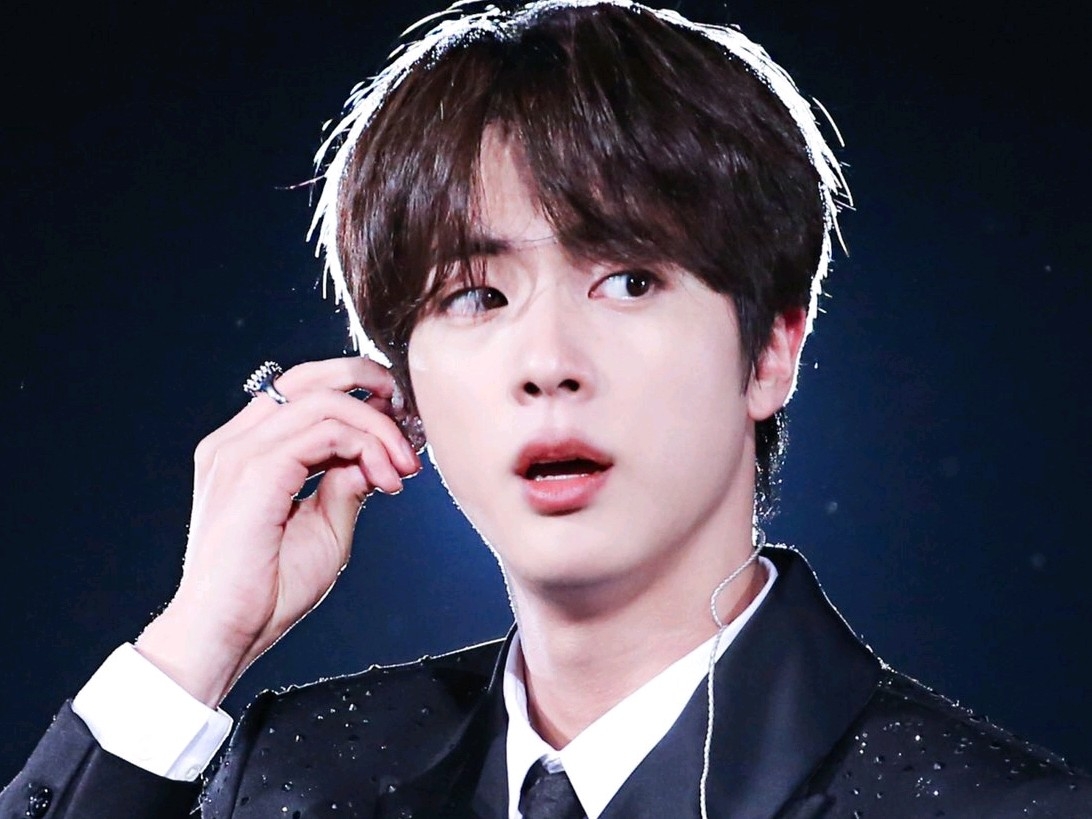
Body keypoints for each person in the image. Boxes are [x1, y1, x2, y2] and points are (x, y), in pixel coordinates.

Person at [3, 1, 1089, 817]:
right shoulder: (299, 771)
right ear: (399, 389)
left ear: (771, 351)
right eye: (476, 297)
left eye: (629, 280)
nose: (548, 364)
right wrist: (198, 640)